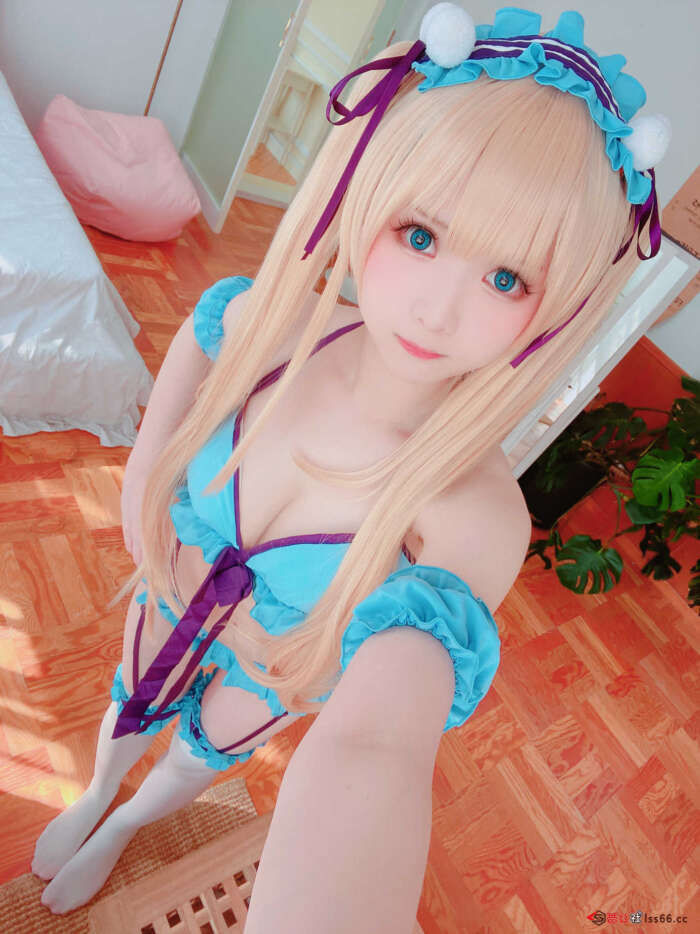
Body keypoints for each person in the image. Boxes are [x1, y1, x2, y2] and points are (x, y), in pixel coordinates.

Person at [33, 4, 667, 927]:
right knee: (128, 704)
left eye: (507, 279)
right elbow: (150, 466)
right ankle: (97, 793)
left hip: (273, 676)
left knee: (200, 756)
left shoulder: (472, 515)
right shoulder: (259, 327)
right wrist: (148, 536)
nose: (437, 310)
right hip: (168, 589)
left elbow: (376, 748)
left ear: (561, 304)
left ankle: (125, 826)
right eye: (421, 234)